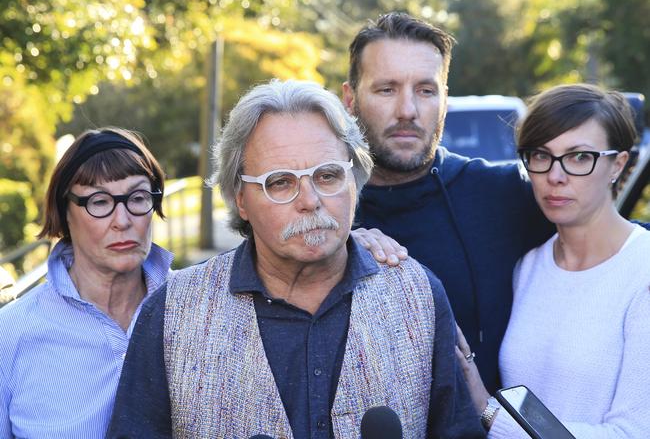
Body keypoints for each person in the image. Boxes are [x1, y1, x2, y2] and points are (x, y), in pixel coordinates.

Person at [107, 79, 484, 438]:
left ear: (354, 180)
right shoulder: (173, 313)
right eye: (281, 182)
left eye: (328, 175)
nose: (310, 200)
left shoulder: (417, 296)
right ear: (240, 198)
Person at [343, 12, 554, 393]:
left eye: (426, 90)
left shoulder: (503, 193)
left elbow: (610, 243)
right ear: (350, 99)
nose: (407, 110)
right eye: (387, 89)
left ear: (444, 101)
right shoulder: (317, 206)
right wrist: (335, 248)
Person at [456, 83, 650, 437]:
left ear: (617, 165)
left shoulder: (642, 271)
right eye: (541, 155)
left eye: (579, 157)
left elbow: (634, 432)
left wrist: (488, 412)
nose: (555, 176)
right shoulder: (526, 267)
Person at [0, 127, 173, 438]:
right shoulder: (11, 334)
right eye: (99, 201)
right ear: (65, 211)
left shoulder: (198, 311)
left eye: (137, 197)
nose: (122, 220)